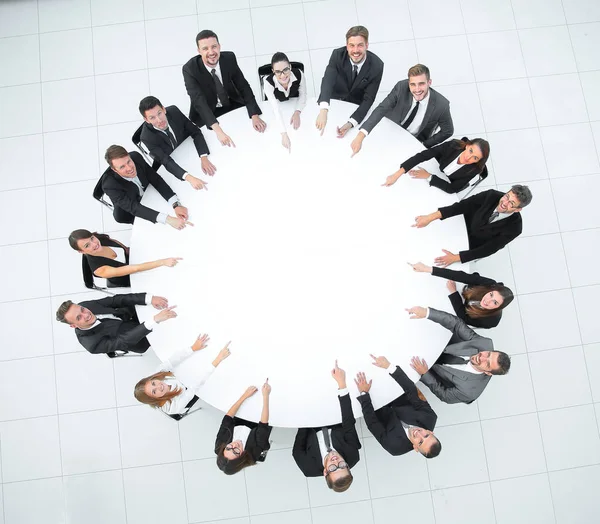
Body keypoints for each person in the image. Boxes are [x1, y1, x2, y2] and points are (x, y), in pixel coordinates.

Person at [406, 306, 511, 404]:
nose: (481, 357)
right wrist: (427, 313)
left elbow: (445, 396)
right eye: (488, 354)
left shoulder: (469, 392)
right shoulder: (484, 343)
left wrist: (425, 374)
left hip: (428, 370)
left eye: (487, 363)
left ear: (488, 373)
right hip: (433, 344)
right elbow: (457, 324)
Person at [412, 185, 533, 266]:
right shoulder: (491, 195)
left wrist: (455, 258)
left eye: (511, 203)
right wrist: (430, 217)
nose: (504, 203)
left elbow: (489, 249)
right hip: (460, 224)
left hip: (470, 245)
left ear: (518, 210)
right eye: (507, 196)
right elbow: (462, 206)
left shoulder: (515, 228)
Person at [182, 29, 266, 147]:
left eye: (214, 46)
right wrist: (219, 131)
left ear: (219, 46)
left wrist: (254, 114)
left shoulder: (229, 58)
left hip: (231, 102)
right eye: (205, 48)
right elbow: (199, 101)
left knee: (250, 138)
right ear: (199, 51)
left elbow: (243, 86)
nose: (211, 52)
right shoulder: (190, 69)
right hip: (209, 110)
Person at [351, 64, 453, 156]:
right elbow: (381, 109)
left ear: (429, 82)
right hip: (390, 128)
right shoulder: (401, 87)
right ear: (408, 83)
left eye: (421, 84)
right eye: (413, 84)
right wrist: (361, 135)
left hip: (411, 140)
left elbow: (448, 131)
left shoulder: (442, 104)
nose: (417, 89)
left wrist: (424, 144)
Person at [292, 360, 361, 493]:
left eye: (333, 468)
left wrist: (305, 412)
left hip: (310, 423)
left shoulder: (308, 467)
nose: (336, 462)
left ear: (325, 472)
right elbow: (348, 422)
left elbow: (298, 449)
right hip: (333, 416)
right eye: (342, 465)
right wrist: (342, 384)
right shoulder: (352, 455)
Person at [354, 354, 441, 458]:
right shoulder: (429, 417)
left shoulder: (394, 447)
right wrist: (389, 367)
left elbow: (372, 424)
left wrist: (364, 394)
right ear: (430, 432)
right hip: (394, 391)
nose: (419, 434)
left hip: (375, 405)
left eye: (420, 442)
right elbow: (411, 391)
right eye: (426, 435)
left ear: (416, 448)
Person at [134, 334, 231, 418]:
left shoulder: (157, 375)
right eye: (154, 391)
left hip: (187, 378)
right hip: (193, 389)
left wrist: (193, 348)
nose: (159, 386)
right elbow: (195, 386)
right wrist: (218, 360)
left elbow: (172, 361)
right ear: (154, 399)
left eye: (153, 383)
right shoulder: (172, 407)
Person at [55, 293, 176, 356]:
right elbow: (124, 341)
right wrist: (154, 320)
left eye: (82, 309)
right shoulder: (92, 344)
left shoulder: (85, 305)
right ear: (74, 326)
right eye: (79, 317)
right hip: (142, 339)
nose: (86, 314)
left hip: (136, 314)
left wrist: (149, 299)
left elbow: (115, 300)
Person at [315, 25, 384, 138]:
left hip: (355, 106)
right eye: (351, 45)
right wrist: (324, 110)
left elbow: (368, 99)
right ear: (347, 46)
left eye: (360, 45)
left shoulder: (377, 66)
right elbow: (328, 80)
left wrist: (351, 123)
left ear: (367, 45)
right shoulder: (337, 55)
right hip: (335, 100)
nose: (355, 50)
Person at [101, 145, 191, 229]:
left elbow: (156, 180)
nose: (129, 168)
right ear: (114, 170)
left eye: (129, 161)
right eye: (122, 167)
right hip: (133, 210)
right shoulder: (109, 185)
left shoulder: (136, 157)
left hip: (150, 195)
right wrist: (168, 219)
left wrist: (175, 204)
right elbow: (134, 208)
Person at [139, 95, 216, 187]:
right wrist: (189, 178)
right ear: (146, 120)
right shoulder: (146, 137)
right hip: (172, 159)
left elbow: (195, 131)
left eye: (159, 113)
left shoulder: (174, 111)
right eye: (152, 118)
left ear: (164, 109)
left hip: (188, 149)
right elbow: (165, 160)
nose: (159, 120)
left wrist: (203, 157)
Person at [408, 262, 514, 329]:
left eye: (495, 302)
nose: (488, 300)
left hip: (461, 306)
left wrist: (454, 293)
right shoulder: (490, 284)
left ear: (499, 307)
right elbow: (461, 276)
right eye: (491, 295)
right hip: (468, 290)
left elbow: (463, 317)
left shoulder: (490, 321)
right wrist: (428, 269)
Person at [68, 229, 181, 288]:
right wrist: (162, 262)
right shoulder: (99, 269)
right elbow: (135, 269)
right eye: (87, 245)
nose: (94, 244)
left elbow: (124, 248)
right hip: (131, 276)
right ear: (81, 252)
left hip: (134, 260)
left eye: (92, 238)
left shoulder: (101, 239)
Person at [382, 138, 490, 194]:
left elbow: (452, 188)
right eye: (470, 151)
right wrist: (397, 174)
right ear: (467, 145)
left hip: (442, 183)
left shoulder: (474, 170)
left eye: (475, 158)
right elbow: (424, 155)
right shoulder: (453, 145)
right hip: (436, 166)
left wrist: (429, 176)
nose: (469, 158)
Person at [215, 380, 272, 475]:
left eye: (229, 448)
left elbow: (228, 418)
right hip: (258, 421)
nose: (234, 445)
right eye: (236, 451)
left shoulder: (220, 445)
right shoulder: (253, 452)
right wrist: (266, 396)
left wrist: (245, 396)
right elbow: (263, 425)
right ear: (242, 456)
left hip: (240, 416)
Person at [263, 52, 307, 152]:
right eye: (278, 72)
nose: (283, 75)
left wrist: (297, 112)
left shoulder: (299, 74)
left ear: (290, 67)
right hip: (279, 106)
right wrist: (284, 134)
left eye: (286, 70)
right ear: (273, 71)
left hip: (294, 103)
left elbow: (303, 95)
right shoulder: (267, 83)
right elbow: (275, 108)